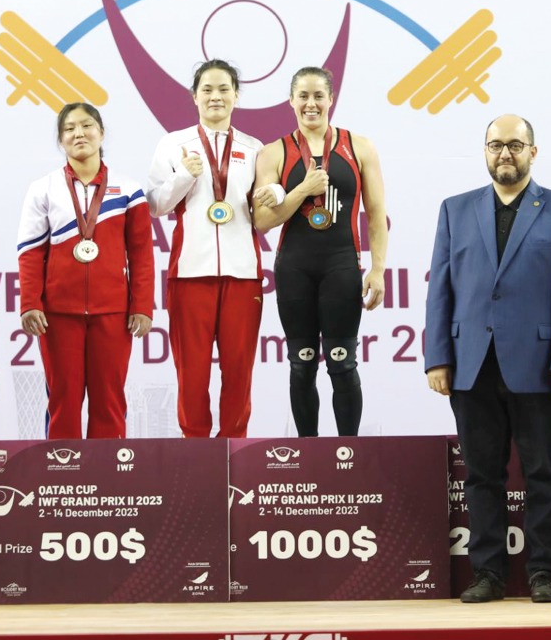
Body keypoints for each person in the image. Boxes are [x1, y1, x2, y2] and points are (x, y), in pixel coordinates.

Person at [424, 114, 551, 604]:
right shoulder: (455, 210)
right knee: (481, 476)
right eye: (495, 145)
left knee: (542, 474)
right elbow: (442, 290)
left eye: (515, 145)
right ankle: (488, 574)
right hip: (470, 362)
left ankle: (543, 572)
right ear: (484, 151)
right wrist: (438, 356)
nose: (505, 153)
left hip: (539, 366)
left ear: (533, 152)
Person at [253, 66, 387, 437]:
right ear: (291, 101)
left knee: (343, 362)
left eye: (318, 96)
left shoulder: (359, 146)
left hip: (342, 266)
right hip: (295, 268)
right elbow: (263, 221)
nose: (311, 104)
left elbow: (375, 214)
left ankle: (349, 455)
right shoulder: (272, 153)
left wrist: (377, 270)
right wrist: (303, 188)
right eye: (303, 96)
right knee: (302, 364)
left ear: (330, 99)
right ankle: (308, 455)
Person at [17, 102, 154, 439]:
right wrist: (31, 302)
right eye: (69, 129)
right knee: (63, 400)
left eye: (87, 125)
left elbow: (141, 255)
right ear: (61, 141)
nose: (79, 133)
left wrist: (141, 306)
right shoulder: (43, 188)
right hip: (58, 313)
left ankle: (108, 483)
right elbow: (30, 253)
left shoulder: (129, 190)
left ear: (101, 133)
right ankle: (63, 480)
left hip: (113, 313)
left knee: (110, 401)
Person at [146, 60, 265, 437]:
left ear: (236, 96)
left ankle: (234, 446)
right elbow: (155, 204)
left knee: (239, 368)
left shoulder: (254, 147)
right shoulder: (172, 144)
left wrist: (275, 192)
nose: (216, 96)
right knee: (191, 370)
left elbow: (262, 209)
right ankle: (195, 447)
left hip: (242, 274)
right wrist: (185, 176)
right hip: (189, 272)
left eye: (224, 89)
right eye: (207, 90)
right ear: (194, 96)